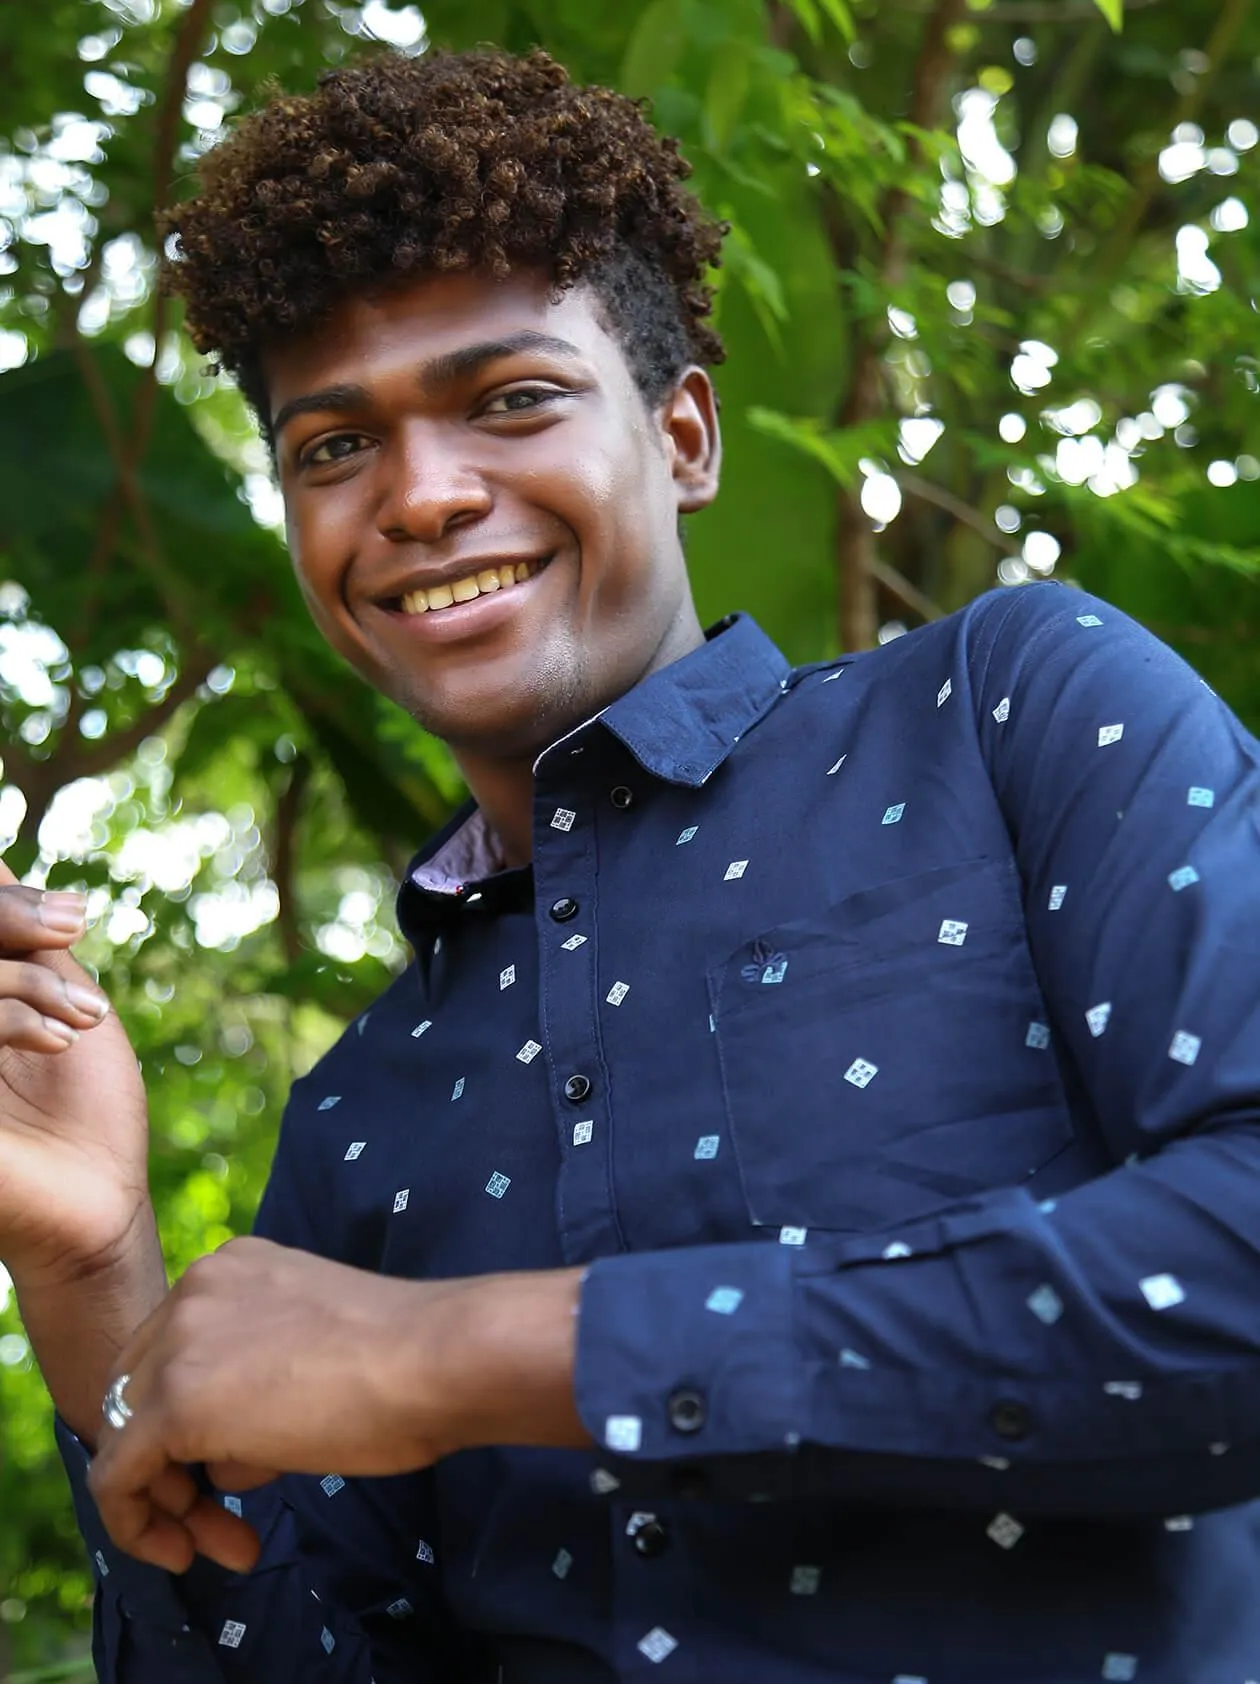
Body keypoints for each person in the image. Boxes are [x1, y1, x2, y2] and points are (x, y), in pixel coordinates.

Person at [2, 43, 1259, 1684]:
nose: (422, 496)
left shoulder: (1011, 709)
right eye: (332, 447)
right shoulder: (364, 1109)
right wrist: (92, 1267)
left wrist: (463, 1353)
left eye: (511, 399)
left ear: (682, 435)